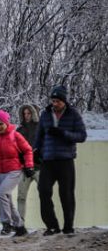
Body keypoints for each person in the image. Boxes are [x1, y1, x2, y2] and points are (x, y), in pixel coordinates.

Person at [35, 84, 87, 236]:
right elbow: (39, 136)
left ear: (64, 101)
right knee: (43, 191)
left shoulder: (73, 114)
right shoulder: (45, 115)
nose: (55, 103)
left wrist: (63, 133)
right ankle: (52, 226)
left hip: (65, 160)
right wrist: (36, 151)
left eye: (58, 101)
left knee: (66, 194)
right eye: (53, 100)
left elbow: (82, 136)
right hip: (48, 160)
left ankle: (68, 227)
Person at [0, 110, 34, 237]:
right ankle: (20, 226)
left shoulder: (15, 136)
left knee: (2, 194)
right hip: (0, 171)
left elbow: (28, 150)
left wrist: (29, 166)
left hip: (14, 170)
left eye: (1, 124)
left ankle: (6, 223)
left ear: (6, 123)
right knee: (7, 199)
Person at [15, 104, 40, 223]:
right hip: (25, 168)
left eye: (28, 113)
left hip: (39, 167)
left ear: (33, 113)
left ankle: (50, 223)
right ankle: (20, 223)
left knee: (45, 195)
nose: (26, 116)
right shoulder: (19, 130)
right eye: (24, 114)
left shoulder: (41, 128)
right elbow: (15, 148)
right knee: (21, 196)